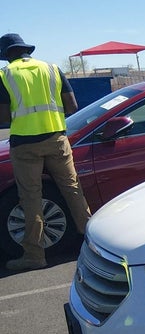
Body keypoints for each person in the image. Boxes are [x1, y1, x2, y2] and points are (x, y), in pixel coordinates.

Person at [0, 33, 91, 270]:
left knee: (30, 198)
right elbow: (72, 106)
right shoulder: (52, 69)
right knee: (72, 189)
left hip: (24, 144)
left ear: (7, 54)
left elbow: (3, 117)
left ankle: (35, 256)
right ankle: (92, 242)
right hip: (56, 138)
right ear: (26, 50)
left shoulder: (6, 75)